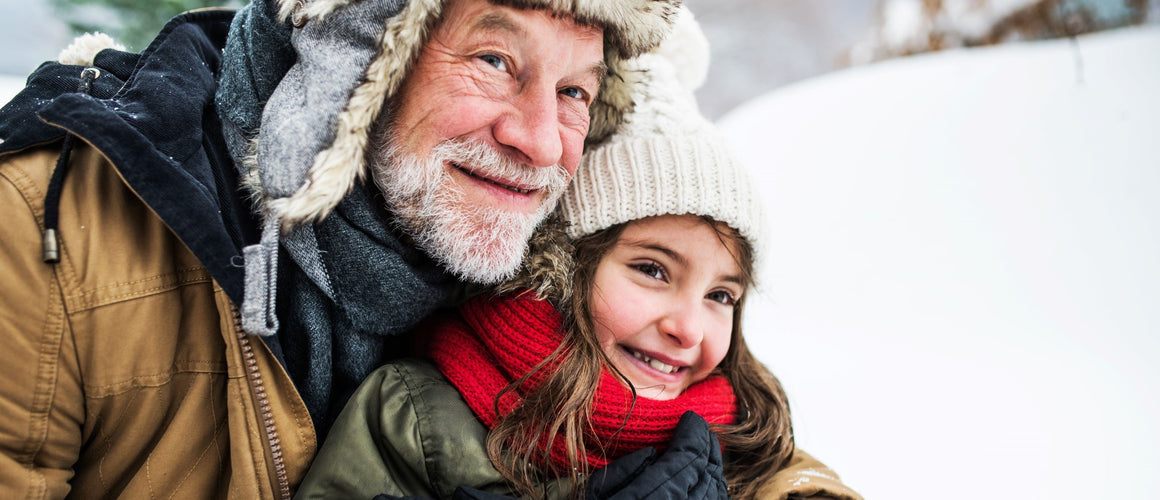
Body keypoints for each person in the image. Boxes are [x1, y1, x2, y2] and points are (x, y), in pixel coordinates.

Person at [0, 0, 681, 497]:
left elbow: (752, 438)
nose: (539, 142)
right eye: (495, 61)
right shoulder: (46, 231)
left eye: (572, 92)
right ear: (357, 61)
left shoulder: (565, 271)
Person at [294, 10, 863, 500]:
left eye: (720, 295)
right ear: (561, 270)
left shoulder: (742, 430)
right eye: (651, 270)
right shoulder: (417, 416)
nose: (689, 328)